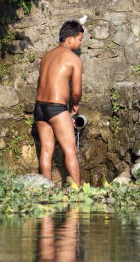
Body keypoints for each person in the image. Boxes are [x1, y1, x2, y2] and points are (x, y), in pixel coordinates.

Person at [34, 20, 84, 187]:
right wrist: (75, 105)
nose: (81, 42)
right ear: (70, 39)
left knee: (46, 151)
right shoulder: (73, 59)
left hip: (40, 107)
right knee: (70, 151)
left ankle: (46, 190)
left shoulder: (47, 55)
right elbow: (76, 91)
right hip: (56, 108)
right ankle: (78, 191)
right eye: (80, 39)